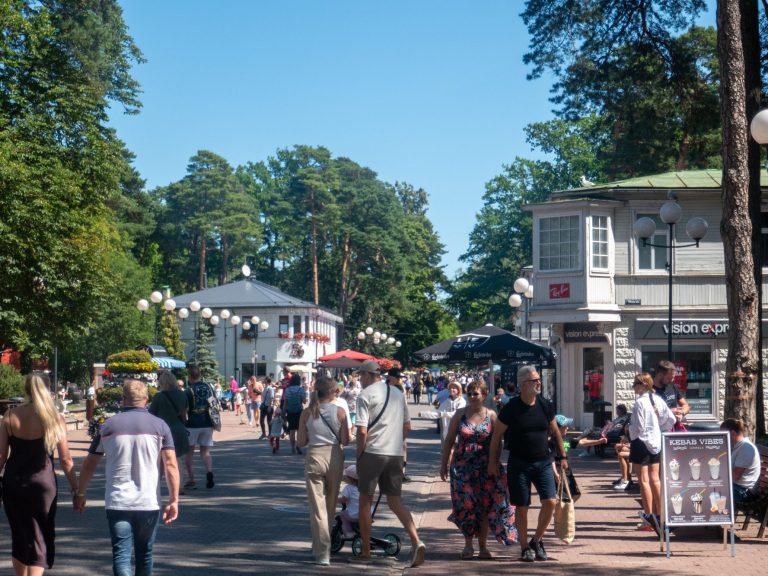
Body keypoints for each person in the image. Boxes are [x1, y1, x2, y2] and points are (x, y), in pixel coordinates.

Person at [75, 380, 179, 576]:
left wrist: (80, 492)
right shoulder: (160, 426)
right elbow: (171, 465)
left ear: (123, 399)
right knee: (145, 553)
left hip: (118, 501)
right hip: (148, 502)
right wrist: (174, 500)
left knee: (121, 555)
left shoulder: (107, 427)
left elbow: (89, 463)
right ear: (146, 399)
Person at [0, 373, 78, 576]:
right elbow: (66, 459)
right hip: (43, 485)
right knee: (39, 536)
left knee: (19, 534)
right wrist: (77, 490)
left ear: (26, 389)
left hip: (14, 483)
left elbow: (1, 456)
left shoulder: (10, 416)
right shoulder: (55, 419)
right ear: (48, 389)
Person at [488, 365, 568, 563]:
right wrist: (493, 462)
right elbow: (497, 436)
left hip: (542, 461)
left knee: (550, 501)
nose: (538, 383)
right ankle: (524, 547)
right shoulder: (510, 408)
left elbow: (556, 432)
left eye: (538, 379)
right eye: (534, 380)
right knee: (522, 507)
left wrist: (563, 456)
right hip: (519, 463)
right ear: (523, 384)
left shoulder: (544, 404)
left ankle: (537, 540)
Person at [354, 359, 426, 567]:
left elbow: (361, 431)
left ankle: (366, 551)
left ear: (368, 375)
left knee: (365, 501)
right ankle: (416, 540)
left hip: (372, 452)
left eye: (361, 376)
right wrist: (394, 442)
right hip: (394, 454)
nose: (360, 380)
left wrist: (359, 455)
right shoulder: (397, 392)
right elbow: (408, 427)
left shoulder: (365, 396)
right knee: (395, 502)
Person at [440, 380, 516, 560]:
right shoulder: (460, 414)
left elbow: (498, 443)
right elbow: (449, 440)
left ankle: (483, 546)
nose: (473, 397)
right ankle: (468, 545)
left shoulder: (491, 415)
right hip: (462, 467)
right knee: (467, 506)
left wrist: (494, 463)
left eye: (476, 393)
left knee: (484, 506)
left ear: (484, 395)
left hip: (486, 467)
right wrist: (444, 464)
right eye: (470, 393)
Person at [297, 377, 350, 566]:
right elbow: (346, 440)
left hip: (315, 456)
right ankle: (323, 548)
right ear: (332, 392)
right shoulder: (341, 412)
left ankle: (321, 551)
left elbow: (301, 442)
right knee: (330, 504)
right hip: (335, 456)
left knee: (316, 507)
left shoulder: (307, 412)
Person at [628, 372, 676, 536]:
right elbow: (671, 419)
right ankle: (661, 514)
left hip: (641, 442)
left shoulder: (640, 402)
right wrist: (659, 429)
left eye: (635, 383)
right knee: (655, 479)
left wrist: (631, 433)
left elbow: (639, 426)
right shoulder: (658, 400)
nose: (633, 387)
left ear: (642, 385)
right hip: (656, 441)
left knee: (643, 480)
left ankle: (648, 517)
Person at [149, 372, 189, 491]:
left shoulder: (159, 397)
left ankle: (154, 486)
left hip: (163, 431)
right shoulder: (182, 395)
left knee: (161, 460)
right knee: (177, 460)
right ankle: (179, 486)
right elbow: (185, 411)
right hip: (179, 429)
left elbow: (151, 414)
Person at [184, 364, 215, 490]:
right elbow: (213, 403)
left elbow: (185, 409)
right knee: (205, 452)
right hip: (207, 422)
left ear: (190, 376)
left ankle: (192, 479)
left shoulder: (188, 390)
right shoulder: (208, 387)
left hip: (193, 423)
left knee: (189, 453)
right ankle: (209, 471)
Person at [721, 418, 761, 503]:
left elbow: (735, 476)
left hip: (745, 491)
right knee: (711, 487)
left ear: (732, 433)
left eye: (723, 434)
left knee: (715, 492)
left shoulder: (746, 448)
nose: (722, 438)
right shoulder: (738, 447)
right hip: (737, 487)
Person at [652, 360, 689, 429]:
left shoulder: (672, 386)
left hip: (675, 428)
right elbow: (649, 414)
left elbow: (685, 405)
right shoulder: (649, 391)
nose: (672, 380)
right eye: (669, 378)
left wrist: (681, 413)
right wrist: (670, 412)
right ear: (660, 375)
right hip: (659, 430)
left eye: (673, 377)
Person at [283, 373, 308, 454]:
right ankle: (298, 445)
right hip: (299, 411)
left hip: (290, 411)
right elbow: (304, 401)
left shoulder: (287, 390)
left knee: (291, 430)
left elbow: (285, 403)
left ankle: (292, 447)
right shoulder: (301, 390)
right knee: (299, 430)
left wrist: (284, 412)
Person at [339, 464, 361, 538]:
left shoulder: (349, 488)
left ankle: (349, 532)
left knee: (343, 514)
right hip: (367, 514)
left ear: (350, 479)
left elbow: (344, 499)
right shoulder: (362, 488)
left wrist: (334, 499)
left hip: (355, 515)